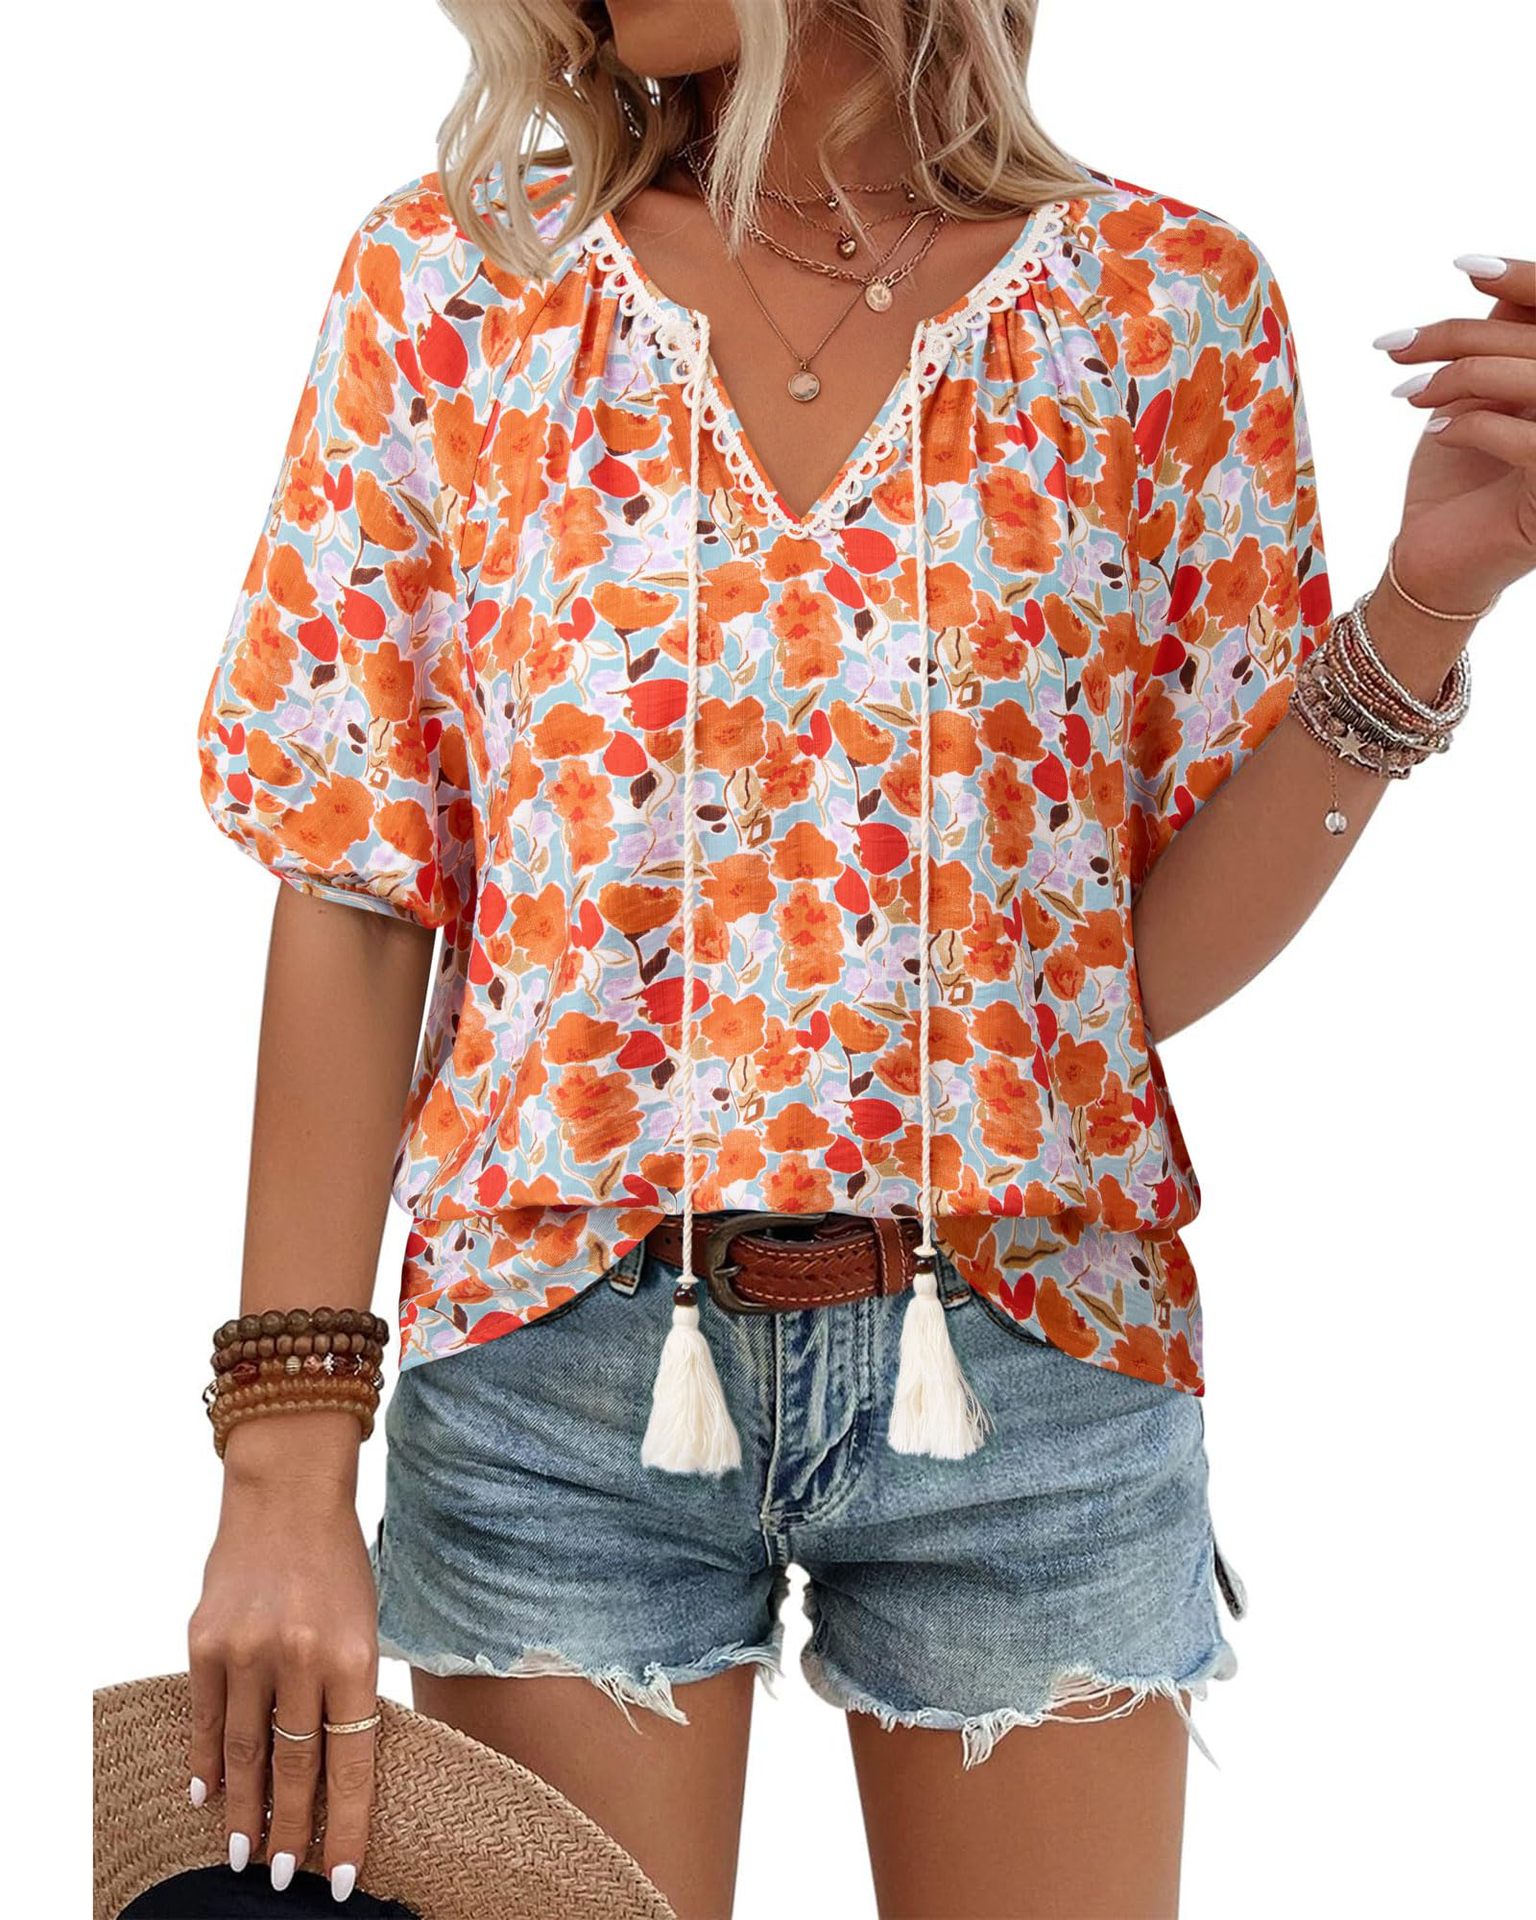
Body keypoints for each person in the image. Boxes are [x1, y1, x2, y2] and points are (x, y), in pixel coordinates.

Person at [184, 2, 1535, 1914]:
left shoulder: (1166, 308)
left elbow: (1106, 981)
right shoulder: (458, 285)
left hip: (1038, 1360)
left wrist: (1433, 598)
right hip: (561, 1369)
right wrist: (282, 1471)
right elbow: (352, 870)